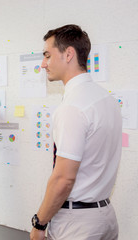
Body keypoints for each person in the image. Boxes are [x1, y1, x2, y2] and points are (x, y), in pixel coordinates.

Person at [30, 24, 122, 240]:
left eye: (47, 55)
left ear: (68, 54)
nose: (43, 64)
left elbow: (63, 179)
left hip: (77, 224)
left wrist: (39, 223)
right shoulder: (107, 99)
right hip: (105, 216)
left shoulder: (73, 107)